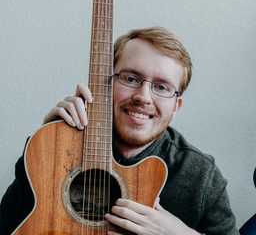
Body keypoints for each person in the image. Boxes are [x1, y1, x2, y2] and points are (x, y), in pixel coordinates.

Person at [0, 27, 239, 235]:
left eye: (161, 87)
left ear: (177, 106)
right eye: (131, 78)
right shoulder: (56, 144)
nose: (143, 97)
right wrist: (45, 148)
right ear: (105, 84)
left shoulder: (201, 176)